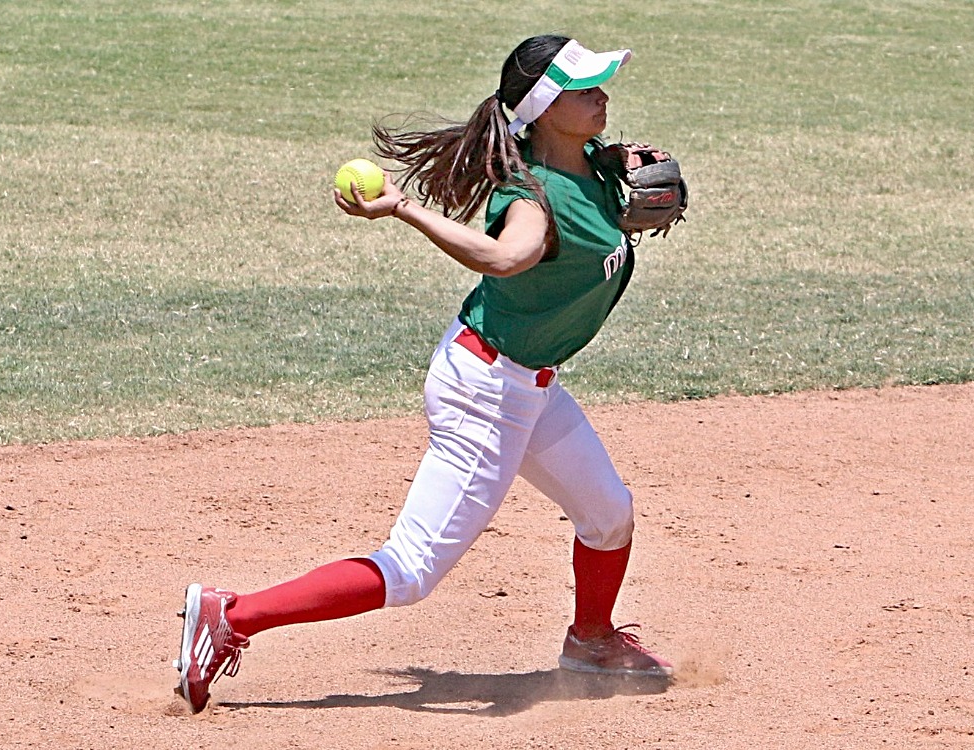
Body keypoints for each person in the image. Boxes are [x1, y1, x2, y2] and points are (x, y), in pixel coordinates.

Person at [173, 34, 672, 714]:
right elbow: (503, 258)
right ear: (546, 106)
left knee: (609, 514)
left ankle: (591, 640)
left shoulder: (590, 161)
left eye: (601, 84)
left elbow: (597, 197)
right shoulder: (534, 197)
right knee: (409, 570)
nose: (602, 94)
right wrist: (406, 208)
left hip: (530, 383)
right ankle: (232, 616)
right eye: (584, 89)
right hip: (487, 393)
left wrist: (614, 178)